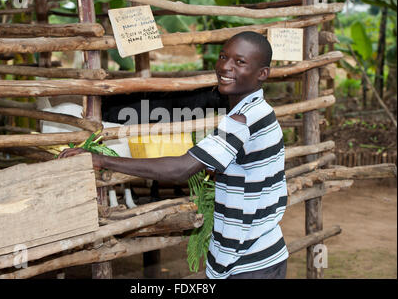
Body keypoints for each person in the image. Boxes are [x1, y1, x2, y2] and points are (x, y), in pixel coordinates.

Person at [59, 31, 288, 279]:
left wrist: (101, 159)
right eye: (223, 56)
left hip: (247, 263)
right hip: (262, 251)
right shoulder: (261, 111)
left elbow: (181, 169)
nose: (225, 66)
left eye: (239, 62)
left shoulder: (241, 120)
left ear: (262, 73)